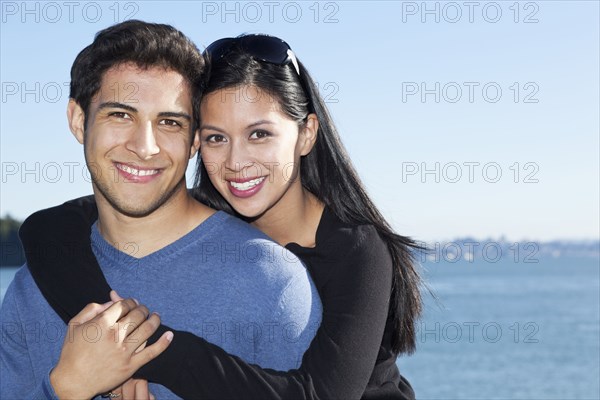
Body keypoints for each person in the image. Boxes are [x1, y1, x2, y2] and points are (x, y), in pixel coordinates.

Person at [18, 34, 424, 399]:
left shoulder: (356, 249)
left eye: (259, 134)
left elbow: (319, 395)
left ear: (306, 133)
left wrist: (139, 347)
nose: (236, 162)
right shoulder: (208, 211)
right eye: (216, 138)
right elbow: (48, 227)